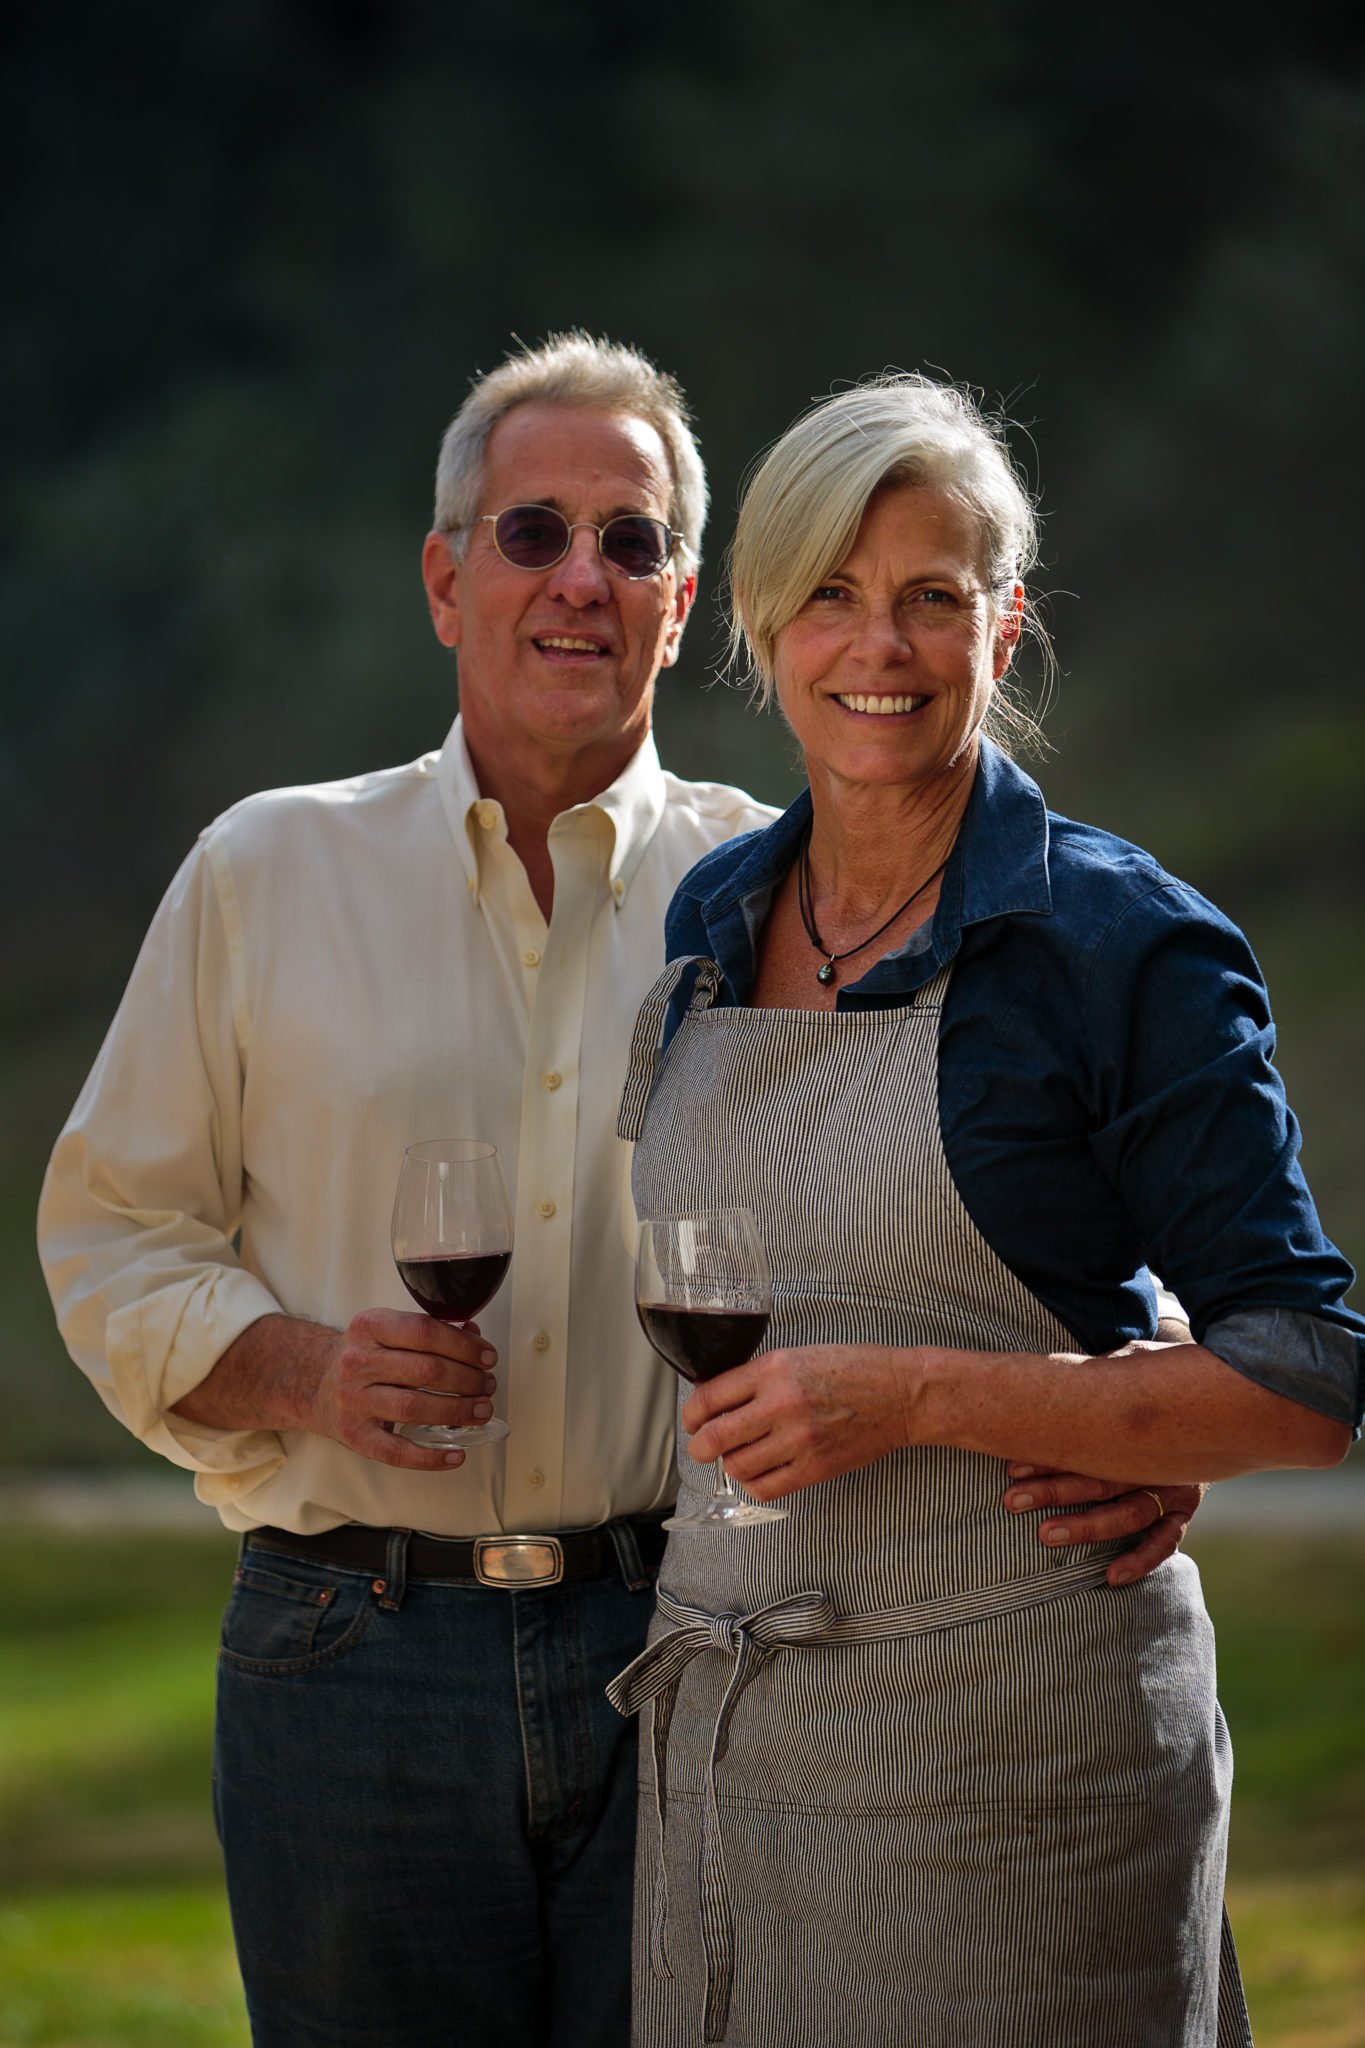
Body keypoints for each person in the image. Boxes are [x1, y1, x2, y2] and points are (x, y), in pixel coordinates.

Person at [38, 336, 1199, 2048]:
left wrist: (1135, 1387)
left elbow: (986, 1161)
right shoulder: (264, 871)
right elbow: (108, 1243)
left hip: (692, 1654)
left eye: (632, 540)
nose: (582, 576)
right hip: (347, 1659)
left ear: (682, 606)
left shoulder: (773, 896)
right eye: (531, 533)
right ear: (446, 579)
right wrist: (303, 1374)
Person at [609, 375, 1363, 2048]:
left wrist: (922, 1397)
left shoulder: (1118, 944)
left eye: (930, 598)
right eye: (829, 594)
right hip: (747, 1778)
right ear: (757, 626)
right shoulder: (717, 911)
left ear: (1001, 628)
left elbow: (1306, 1374)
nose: (876, 646)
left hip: (1023, 1775)